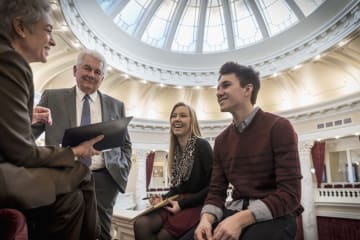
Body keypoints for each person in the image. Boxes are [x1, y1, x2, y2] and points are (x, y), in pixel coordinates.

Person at [0, 0, 104, 239]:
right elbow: (22, 152)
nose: (54, 40)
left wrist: (25, 119)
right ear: (20, 26)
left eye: (98, 72)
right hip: (6, 172)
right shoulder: (10, 63)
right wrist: (75, 151)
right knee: (81, 172)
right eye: (48, 30)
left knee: (74, 199)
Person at [194, 62, 303, 240]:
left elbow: (290, 194)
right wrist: (206, 219)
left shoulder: (279, 126)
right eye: (218, 87)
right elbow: (216, 191)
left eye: (226, 85)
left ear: (247, 89)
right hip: (234, 211)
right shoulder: (221, 140)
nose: (218, 92)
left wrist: (241, 219)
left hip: (276, 215)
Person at [31, 49, 132, 240]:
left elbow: (125, 145)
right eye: (87, 68)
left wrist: (121, 171)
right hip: (64, 175)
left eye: (97, 72)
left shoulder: (115, 105)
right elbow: (28, 136)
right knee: (65, 231)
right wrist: (25, 119)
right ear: (75, 70)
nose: (91, 75)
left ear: (102, 78)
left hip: (103, 180)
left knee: (101, 233)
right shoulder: (52, 97)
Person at [134, 102, 213, 240]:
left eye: (183, 115)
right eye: (174, 116)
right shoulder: (176, 151)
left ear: (192, 120)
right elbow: (178, 188)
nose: (177, 119)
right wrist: (163, 199)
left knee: (163, 236)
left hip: (198, 204)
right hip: (180, 203)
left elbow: (213, 186)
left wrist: (182, 205)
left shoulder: (202, 145)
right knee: (141, 224)